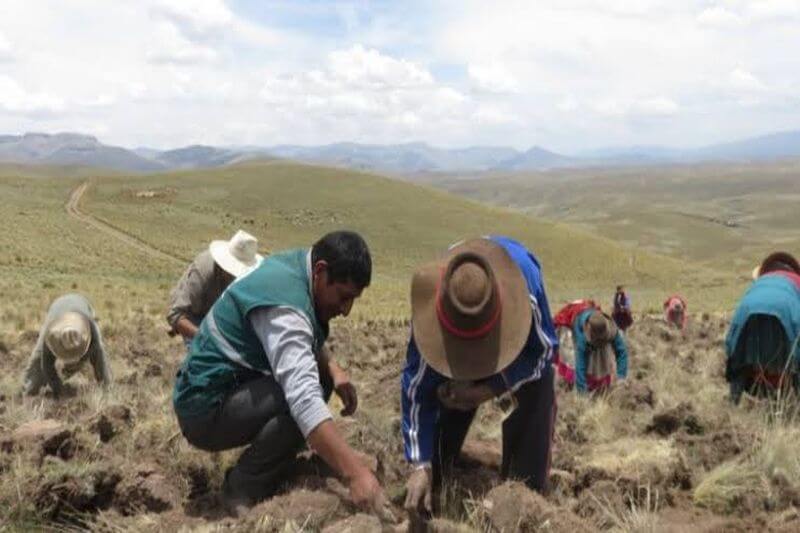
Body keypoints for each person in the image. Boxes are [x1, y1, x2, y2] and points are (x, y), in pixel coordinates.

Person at [172, 231, 391, 518]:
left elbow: (306, 336)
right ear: (321, 272)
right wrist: (356, 476)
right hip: (203, 409)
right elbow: (303, 398)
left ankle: (270, 463)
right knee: (301, 396)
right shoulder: (285, 307)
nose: (346, 310)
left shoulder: (297, 266)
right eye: (343, 296)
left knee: (321, 376)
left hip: (223, 389)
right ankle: (241, 487)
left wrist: (335, 370)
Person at [401, 236, 558, 522]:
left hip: (510, 343)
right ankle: (439, 467)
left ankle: (525, 488)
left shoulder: (526, 286)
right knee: (432, 469)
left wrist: (491, 387)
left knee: (538, 390)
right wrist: (420, 463)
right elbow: (416, 387)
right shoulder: (436, 303)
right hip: (459, 343)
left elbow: (544, 354)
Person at [726, 252, 800, 404]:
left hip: (748, 321)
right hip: (788, 321)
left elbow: (733, 333)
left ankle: (733, 403)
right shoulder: (797, 282)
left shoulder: (757, 286)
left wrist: (732, 352)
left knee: (739, 362)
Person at [167, 230, 263, 346]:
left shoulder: (248, 279)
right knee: (204, 356)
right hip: (194, 314)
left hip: (220, 317)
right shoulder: (204, 270)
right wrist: (209, 340)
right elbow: (176, 315)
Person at [22, 293, 111, 397]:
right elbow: (46, 365)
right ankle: (28, 390)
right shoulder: (51, 333)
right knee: (38, 356)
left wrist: (106, 387)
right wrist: (58, 389)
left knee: (97, 351)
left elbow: (100, 358)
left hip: (82, 304)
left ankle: (71, 372)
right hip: (56, 311)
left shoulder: (90, 327)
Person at [554, 302, 628, 393]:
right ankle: (571, 383)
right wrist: (582, 394)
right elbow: (580, 364)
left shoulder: (611, 330)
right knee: (571, 358)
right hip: (570, 321)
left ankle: (599, 383)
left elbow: (621, 351)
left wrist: (621, 376)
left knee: (601, 355)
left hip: (589, 316)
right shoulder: (582, 336)